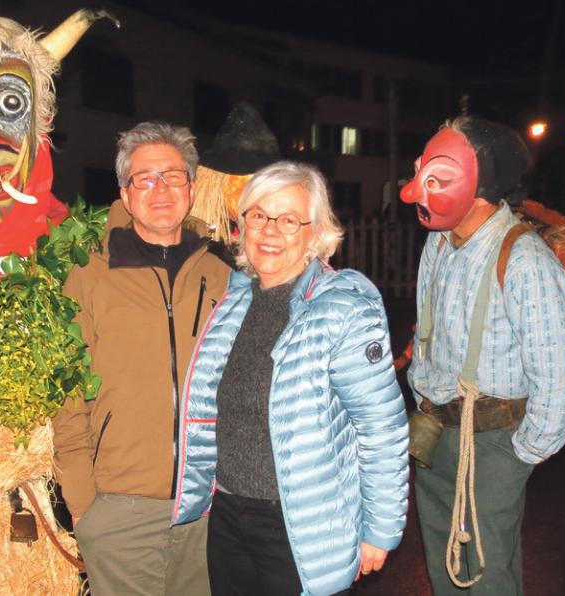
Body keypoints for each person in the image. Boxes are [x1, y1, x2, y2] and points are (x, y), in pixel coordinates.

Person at [172, 161, 409, 596]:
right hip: (228, 513)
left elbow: (381, 427)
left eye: (288, 220)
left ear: (315, 234)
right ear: (242, 226)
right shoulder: (235, 300)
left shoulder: (342, 309)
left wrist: (379, 529)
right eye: (259, 215)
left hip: (300, 523)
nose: (270, 230)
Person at [399, 116, 565, 595]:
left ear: (484, 184)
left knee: (484, 574)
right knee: (444, 563)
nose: (413, 191)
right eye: (421, 172)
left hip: (490, 441)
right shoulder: (438, 244)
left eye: (437, 177)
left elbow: (562, 374)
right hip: (434, 430)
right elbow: (430, 328)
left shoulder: (524, 259)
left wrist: (522, 452)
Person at [52, 121, 232, 595]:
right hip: (118, 506)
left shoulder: (221, 277)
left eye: (173, 176)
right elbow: (67, 392)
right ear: (125, 194)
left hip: (206, 507)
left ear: (191, 189)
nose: (160, 189)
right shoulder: (89, 274)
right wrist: (83, 501)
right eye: (144, 178)